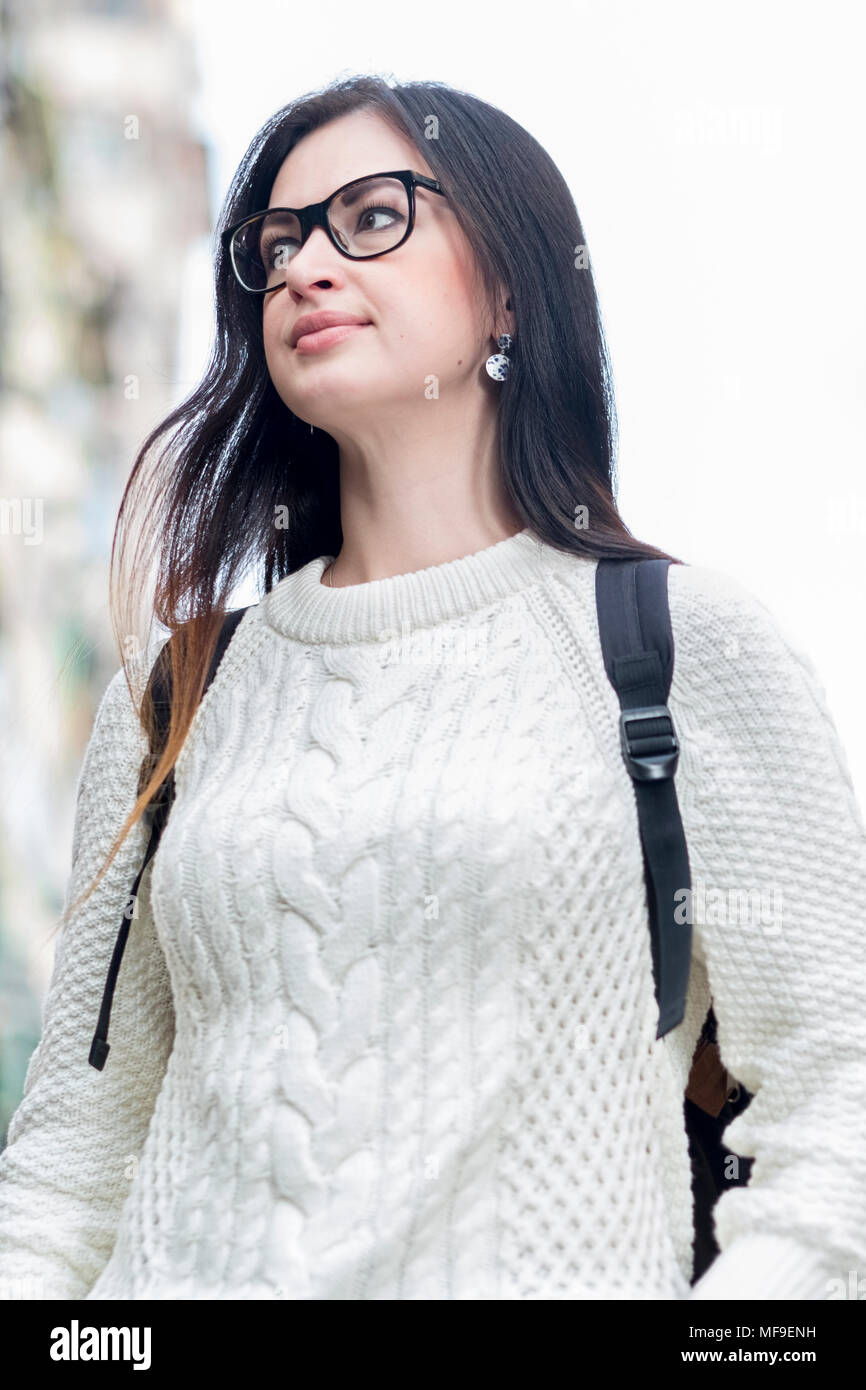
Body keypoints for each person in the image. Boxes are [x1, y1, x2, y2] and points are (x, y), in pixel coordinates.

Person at [1, 74, 864, 1302]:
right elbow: (75, 1160)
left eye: (370, 218)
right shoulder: (181, 685)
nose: (305, 266)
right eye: (277, 243)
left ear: (508, 287)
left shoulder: (677, 647)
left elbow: (842, 1106)